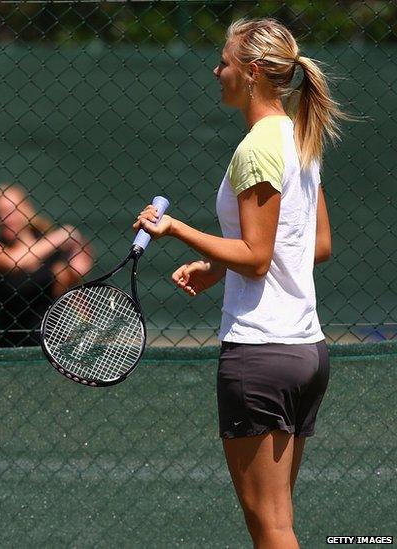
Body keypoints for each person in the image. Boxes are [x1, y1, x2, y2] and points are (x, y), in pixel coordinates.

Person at [132, 18, 345, 548]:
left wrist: (175, 229)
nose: (216, 70)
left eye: (224, 62)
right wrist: (216, 267)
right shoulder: (300, 136)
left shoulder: (257, 148)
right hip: (306, 355)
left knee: (270, 526)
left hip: (261, 356)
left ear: (250, 72)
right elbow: (311, 245)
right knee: (278, 520)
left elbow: (256, 257)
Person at [0, 183, 94, 347]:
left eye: (11, 210)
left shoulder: (52, 253)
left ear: (26, 209)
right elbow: (15, 261)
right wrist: (62, 234)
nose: (5, 218)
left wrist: (76, 270)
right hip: (10, 350)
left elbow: (68, 288)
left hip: (53, 348)